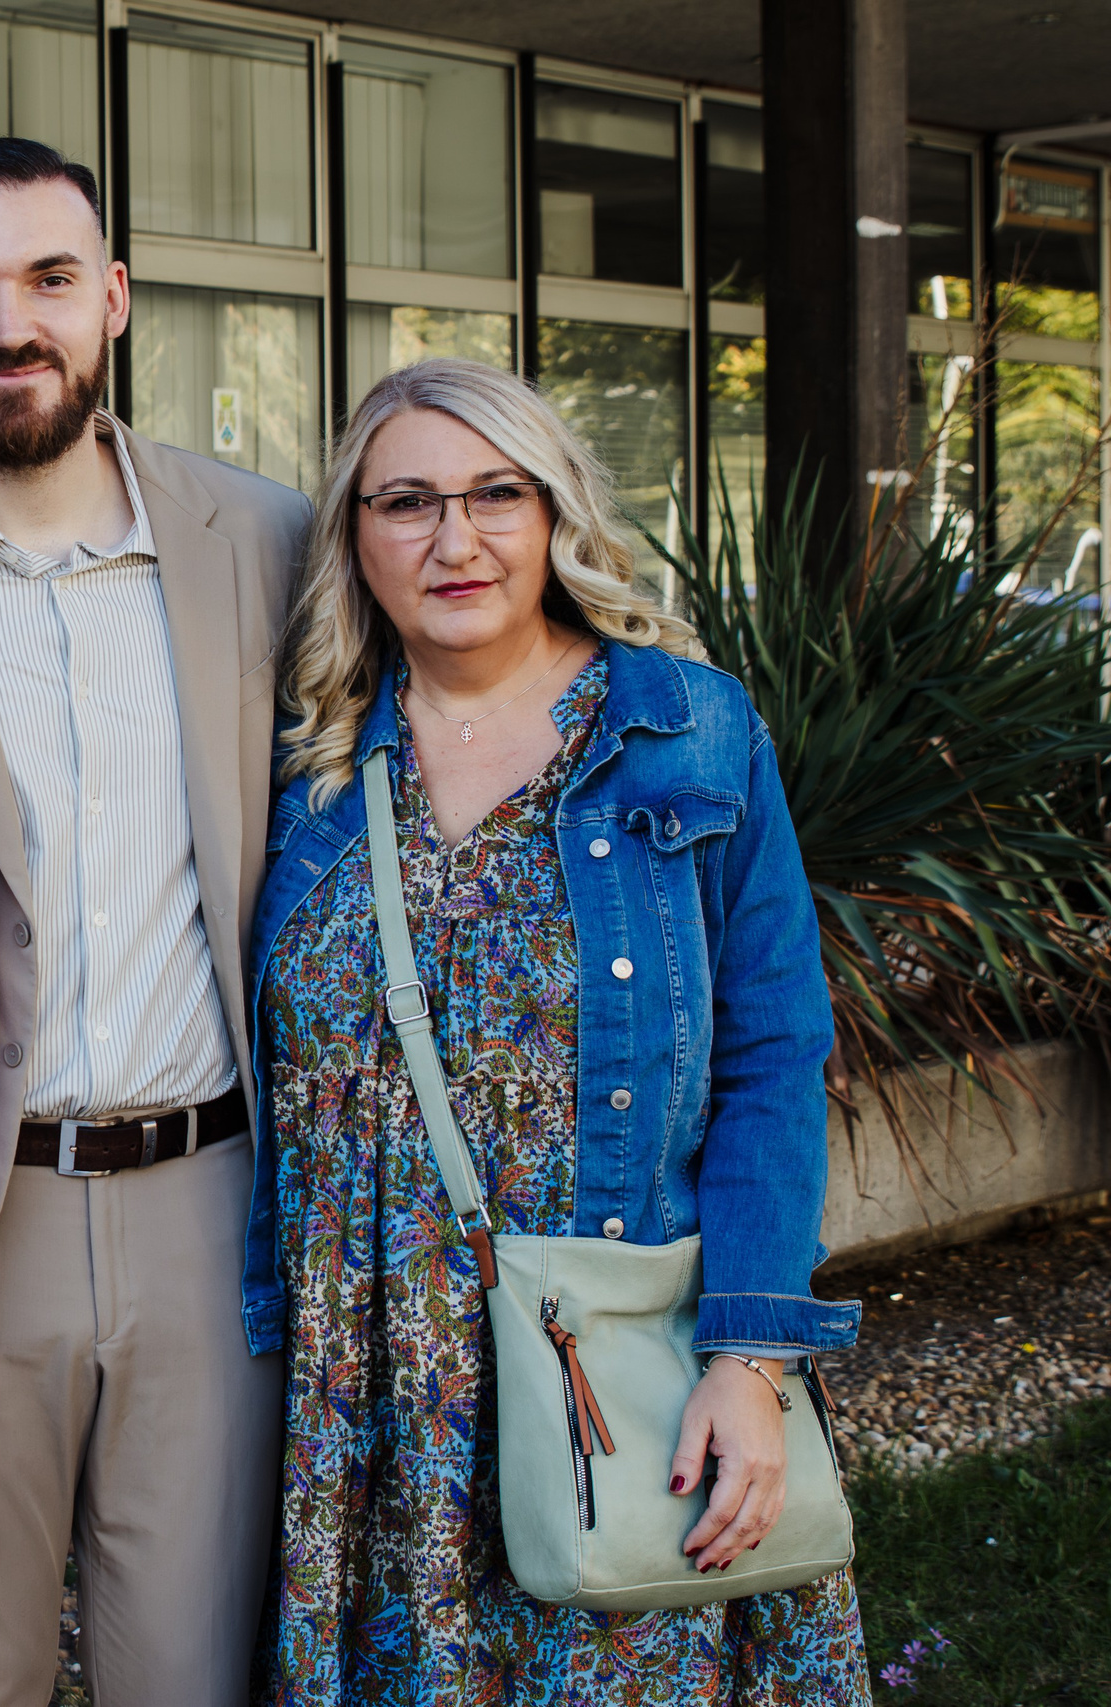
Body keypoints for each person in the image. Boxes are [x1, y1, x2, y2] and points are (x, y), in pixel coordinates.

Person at [246, 357, 870, 1700]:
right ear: (354, 536)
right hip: (371, 1394)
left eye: (496, 495)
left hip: (610, 1358)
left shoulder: (685, 733)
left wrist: (751, 1360)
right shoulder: (306, 763)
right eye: (407, 502)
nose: (455, 540)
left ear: (555, 513)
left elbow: (773, 1055)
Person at [0, 137, 311, 1707]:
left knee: (193, 1673)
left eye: (48, 279)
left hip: (208, 1205)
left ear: (111, 296)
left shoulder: (268, 540)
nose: (9, 325)